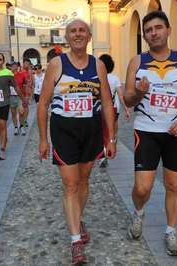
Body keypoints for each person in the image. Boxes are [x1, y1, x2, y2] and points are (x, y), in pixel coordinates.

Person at [124, 11, 177, 256]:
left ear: (169, 30)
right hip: (147, 131)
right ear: (145, 36)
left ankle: (170, 231)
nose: (154, 33)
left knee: (174, 185)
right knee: (142, 188)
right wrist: (138, 93)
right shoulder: (136, 62)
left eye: (158, 27)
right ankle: (139, 214)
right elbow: (128, 100)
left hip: (176, 132)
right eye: (149, 30)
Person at [38, 19, 117, 265]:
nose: (78, 34)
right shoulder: (55, 64)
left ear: (90, 36)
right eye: (73, 31)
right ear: (67, 37)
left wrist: (111, 138)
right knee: (71, 185)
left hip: (91, 129)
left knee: (84, 180)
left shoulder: (99, 65)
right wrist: (43, 139)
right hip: (64, 130)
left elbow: (106, 103)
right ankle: (75, 242)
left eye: (82, 30)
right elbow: (42, 103)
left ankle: (77, 218)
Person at [98, 54, 131, 168]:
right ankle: (107, 148)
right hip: (113, 107)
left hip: (99, 107)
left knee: (100, 130)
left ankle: (101, 152)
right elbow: (121, 94)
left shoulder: (97, 76)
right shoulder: (115, 78)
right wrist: (126, 108)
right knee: (108, 130)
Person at [9, 61, 26, 136]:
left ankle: (21, 126)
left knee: (21, 112)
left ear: (16, 66)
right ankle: (15, 127)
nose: (10, 67)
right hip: (11, 96)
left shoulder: (21, 75)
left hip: (19, 96)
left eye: (12, 66)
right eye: (10, 66)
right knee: (13, 113)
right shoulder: (8, 75)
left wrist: (26, 96)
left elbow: (25, 85)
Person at [19, 58, 34, 127]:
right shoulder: (19, 69)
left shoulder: (29, 71)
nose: (27, 65)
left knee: (26, 105)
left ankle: (25, 120)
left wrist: (30, 88)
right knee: (20, 105)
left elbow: (31, 81)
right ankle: (21, 119)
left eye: (28, 64)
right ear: (23, 63)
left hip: (26, 90)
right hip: (19, 90)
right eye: (26, 64)